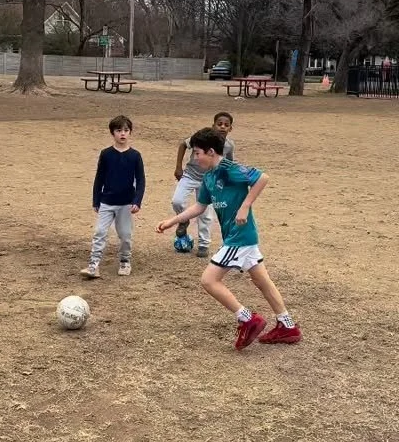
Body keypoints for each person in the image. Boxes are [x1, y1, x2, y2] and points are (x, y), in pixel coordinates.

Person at [157, 127, 301, 349]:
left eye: (197, 153)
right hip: (242, 237)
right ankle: (287, 325)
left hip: (239, 236)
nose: (195, 158)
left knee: (209, 280)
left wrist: (245, 206)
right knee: (262, 281)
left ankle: (248, 319)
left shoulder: (229, 169)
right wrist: (172, 221)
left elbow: (262, 177)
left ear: (211, 151)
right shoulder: (209, 177)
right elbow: (200, 206)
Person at [81, 114, 145, 279]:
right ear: (112, 133)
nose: (122, 133)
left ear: (130, 132)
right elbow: (99, 178)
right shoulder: (106, 154)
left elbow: (141, 180)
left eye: (126, 130)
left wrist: (137, 201)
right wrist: (96, 200)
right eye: (118, 130)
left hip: (126, 203)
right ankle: (94, 265)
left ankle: (125, 261)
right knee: (99, 232)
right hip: (107, 202)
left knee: (125, 235)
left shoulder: (135, 156)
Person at [172, 111, 235, 258]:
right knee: (177, 201)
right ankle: (183, 220)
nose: (222, 127)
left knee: (205, 213)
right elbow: (183, 145)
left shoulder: (229, 145)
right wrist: (178, 167)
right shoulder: (203, 138)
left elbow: (229, 162)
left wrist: (225, 179)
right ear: (213, 125)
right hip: (190, 174)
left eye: (226, 125)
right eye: (219, 124)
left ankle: (203, 244)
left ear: (230, 128)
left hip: (209, 179)